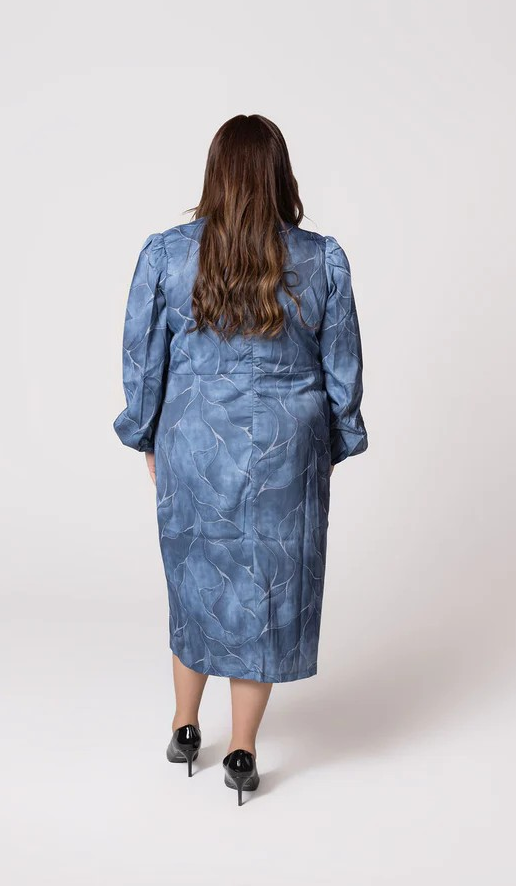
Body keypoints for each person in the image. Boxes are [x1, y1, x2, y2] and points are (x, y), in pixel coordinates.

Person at [113, 114, 368, 805]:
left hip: (194, 443)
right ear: (279, 174)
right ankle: (243, 749)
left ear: (215, 173)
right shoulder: (321, 259)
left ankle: (185, 725)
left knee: (196, 579)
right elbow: (342, 367)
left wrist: (146, 432)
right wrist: (335, 441)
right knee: (264, 591)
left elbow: (143, 358)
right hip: (287, 448)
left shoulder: (166, 254)